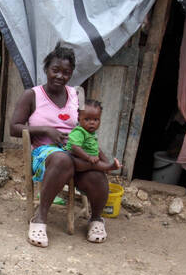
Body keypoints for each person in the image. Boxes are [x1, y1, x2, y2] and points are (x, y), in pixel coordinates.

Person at [9, 43, 110, 247]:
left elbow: (86, 128)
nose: (60, 76)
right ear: (46, 69)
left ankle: (96, 219)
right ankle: (39, 218)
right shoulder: (33, 95)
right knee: (62, 160)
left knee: (97, 174)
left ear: (71, 74)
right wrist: (46, 130)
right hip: (44, 154)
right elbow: (14, 128)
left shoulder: (75, 95)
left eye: (66, 72)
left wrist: (94, 152)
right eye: (55, 70)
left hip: (75, 151)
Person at [64, 99, 123, 176]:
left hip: (85, 159)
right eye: (87, 119)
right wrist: (89, 157)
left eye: (96, 119)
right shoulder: (79, 132)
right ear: (79, 119)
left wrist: (105, 161)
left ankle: (107, 165)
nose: (92, 122)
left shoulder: (91, 133)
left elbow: (97, 149)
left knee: (98, 153)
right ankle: (110, 167)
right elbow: (75, 147)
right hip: (73, 159)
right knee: (93, 164)